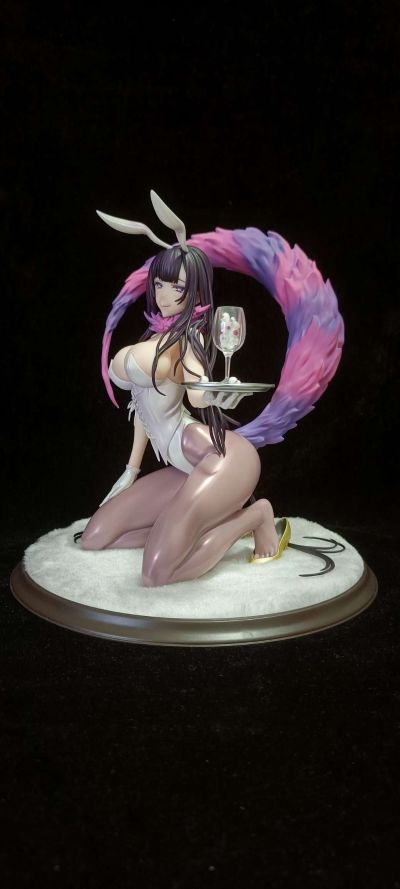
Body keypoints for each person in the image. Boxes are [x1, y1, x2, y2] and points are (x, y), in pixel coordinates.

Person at [81, 238, 279, 586]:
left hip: (225, 459)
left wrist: (217, 396)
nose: (164, 295)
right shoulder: (154, 336)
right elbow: (142, 408)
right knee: (94, 537)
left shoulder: (189, 338)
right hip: (186, 465)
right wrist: (131, 470)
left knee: (156, 574)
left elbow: (198, 396)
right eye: (159, 284)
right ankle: (191, 526)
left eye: (177, 287)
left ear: (197, 292)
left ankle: (255, 516)